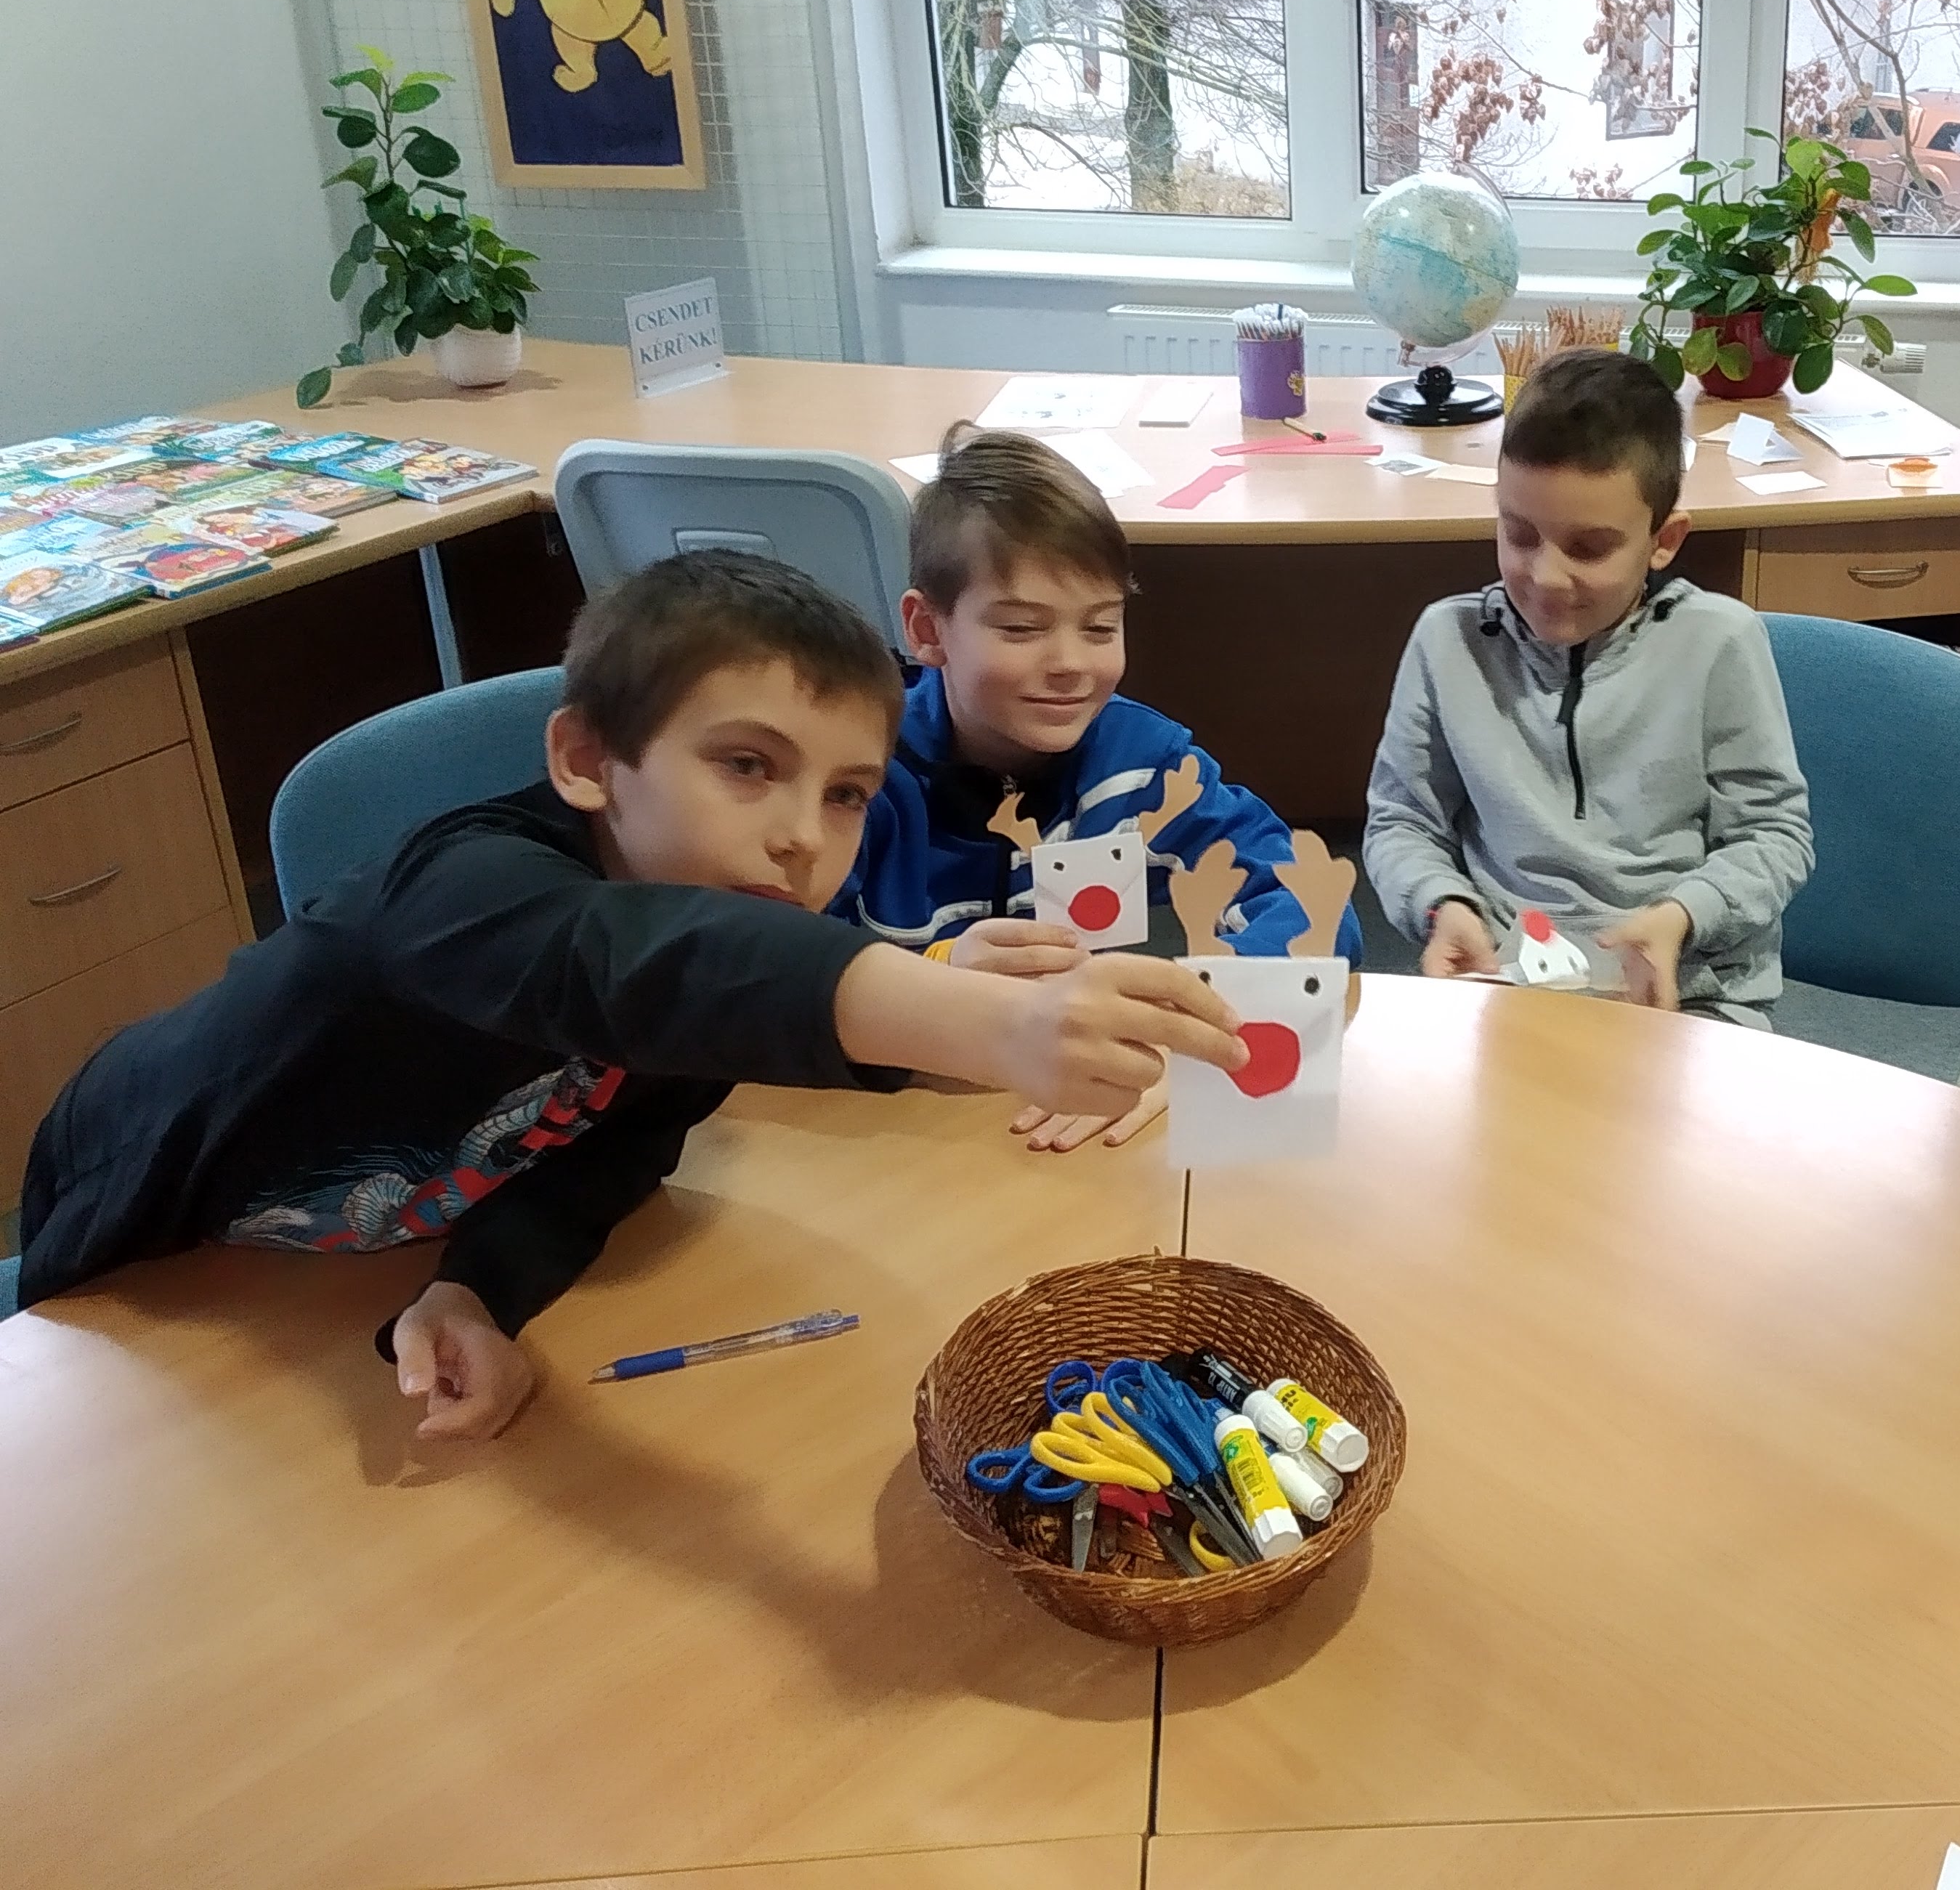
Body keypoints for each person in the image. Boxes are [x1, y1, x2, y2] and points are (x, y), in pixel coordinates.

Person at [8, 551, 1244, 1438]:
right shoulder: (460, 889)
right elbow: (639, 962)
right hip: (143, 1224)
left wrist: (477, 1290)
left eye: (845, 795)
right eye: (747, 766)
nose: (800, 839)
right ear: (588, 761)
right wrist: (983, 1023)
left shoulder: (705, 950)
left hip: (344, 1276)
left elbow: (616, 1138)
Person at [835, 424, 1359, 1150]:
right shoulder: (856, 778)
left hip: (1069, 1127)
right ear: (928, 629)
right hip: (897, 1126)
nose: (1071, 665)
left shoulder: (1141, 767)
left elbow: (1312, 902)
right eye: (1021, 629)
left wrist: (1192, 1031)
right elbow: (768, 963)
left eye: (1101, 627)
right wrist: (938, 976)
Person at [1363, 346, 1814, 1024]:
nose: (1546, 577)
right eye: (1519, 535)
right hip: (1503, 981)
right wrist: (1441, 904)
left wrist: (1683, 916)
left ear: (1663, 541)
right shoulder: (1446, 640)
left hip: (1687, 993)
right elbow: (1402, 822)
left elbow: (1775, 835)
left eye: (1590, 548)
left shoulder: (1720, 643)